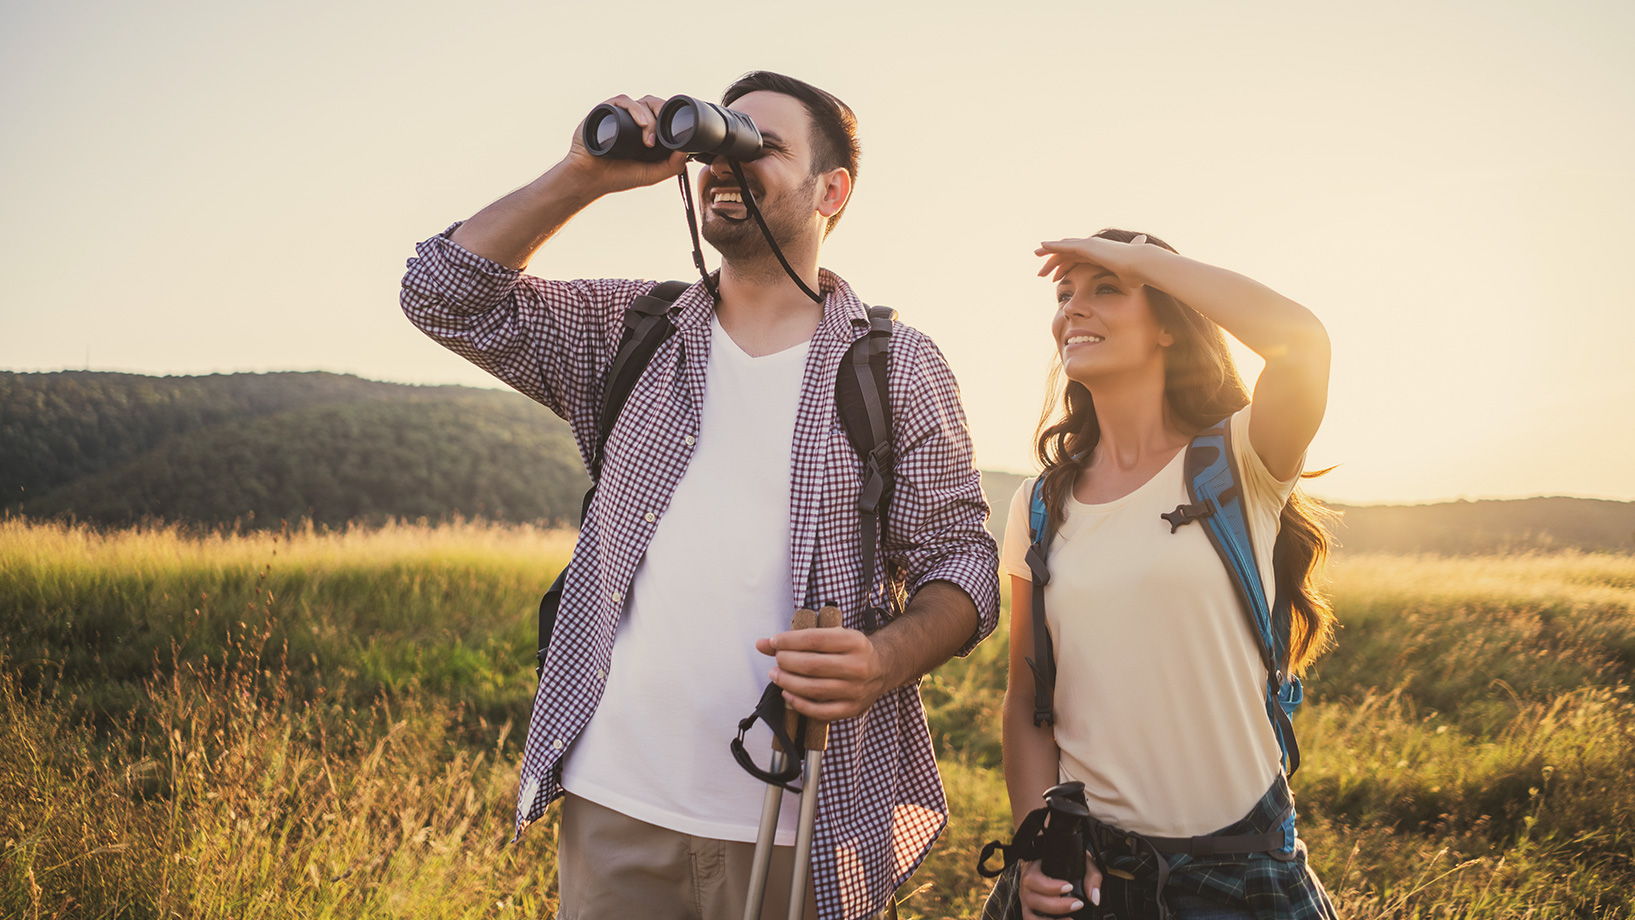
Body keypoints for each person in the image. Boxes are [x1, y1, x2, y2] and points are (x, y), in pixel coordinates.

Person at [399, 71, 999, 920]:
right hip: (616, 806)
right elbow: (441, 293)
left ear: (833, 190)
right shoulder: (625, 332)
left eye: (759, 145)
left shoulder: (893, 366)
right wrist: (583, 173)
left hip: (801, 822)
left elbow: (962, 562)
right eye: (717, 141)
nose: (723, 161)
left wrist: (885, 660)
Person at [998, 229, 1339, 919]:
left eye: (1106, 290)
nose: (1073, 309)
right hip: (1090, 876)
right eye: (1064, 295)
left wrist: (1146, 260)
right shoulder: (1038, 506)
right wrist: (1037, 844)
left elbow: (1302, 344)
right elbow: (1027, 701)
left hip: (1236, 875)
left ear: (1167, 324)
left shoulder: (1237, 461)